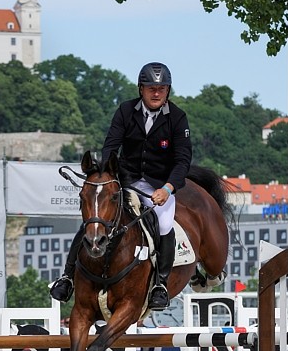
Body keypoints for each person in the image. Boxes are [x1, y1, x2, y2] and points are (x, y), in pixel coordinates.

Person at [50, 61, 192, 310]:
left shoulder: (178, 118)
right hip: (124, 179)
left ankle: (159, 283)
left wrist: (167, 189)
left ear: (168, 90)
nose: (156, 92)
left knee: (165, 221)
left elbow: (182, 160)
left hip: (158, 185)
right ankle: (67, 277)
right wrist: (105, 177)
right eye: (151, 88)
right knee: (94, 219)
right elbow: (111, 145)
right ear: (141, 89)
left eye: (161, 88)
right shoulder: (126, 111)